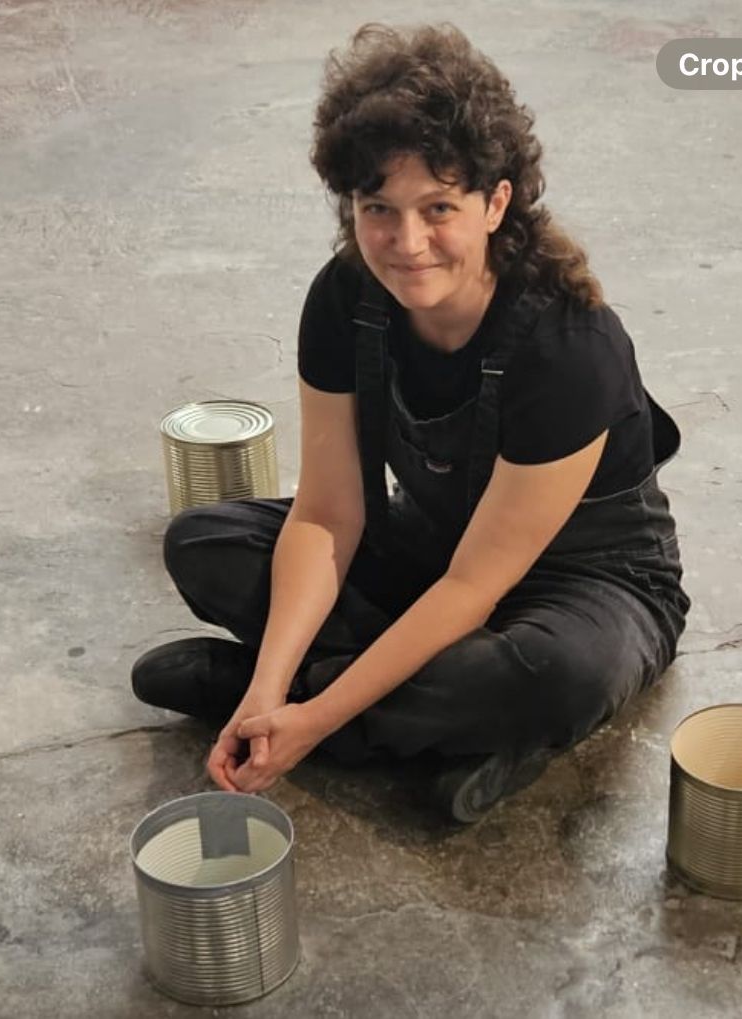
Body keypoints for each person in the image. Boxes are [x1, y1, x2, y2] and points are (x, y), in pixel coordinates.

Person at [132, 22, 691, 823]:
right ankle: (406, 722)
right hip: (432, 549)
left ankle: (340, 714)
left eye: (439, 207)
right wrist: (268, 688)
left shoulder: (567, 344)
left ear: (496, 201)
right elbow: (330, 514)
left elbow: (476, 585)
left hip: (592, 586)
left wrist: (309, 719)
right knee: (204, 543)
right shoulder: (343, 300)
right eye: (378, 208)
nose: (407, 242)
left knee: (561, 675)